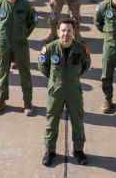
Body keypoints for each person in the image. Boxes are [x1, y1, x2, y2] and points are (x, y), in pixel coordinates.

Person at [39, 19, 91, 167]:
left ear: (74, 32)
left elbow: (86, 65)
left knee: (77, 121)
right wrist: (55, 80)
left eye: (69, 31)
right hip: (56, 91)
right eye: (63, 30)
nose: (65, 34)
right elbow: (43, 66)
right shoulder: (50, 49)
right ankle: (50, 151)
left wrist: (73, 77)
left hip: (74, 90)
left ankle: (78, 150)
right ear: (58, 32)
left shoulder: (81, 49)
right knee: (52, 121)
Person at [0, 0, 37, 116]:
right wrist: (1, 35)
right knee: (3, 73)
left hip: (20, 44)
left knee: (25, 73)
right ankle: (1, 100)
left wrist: (23, 34)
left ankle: (28, 101)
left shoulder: (26, 6)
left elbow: (33, 21)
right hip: (4, 45)